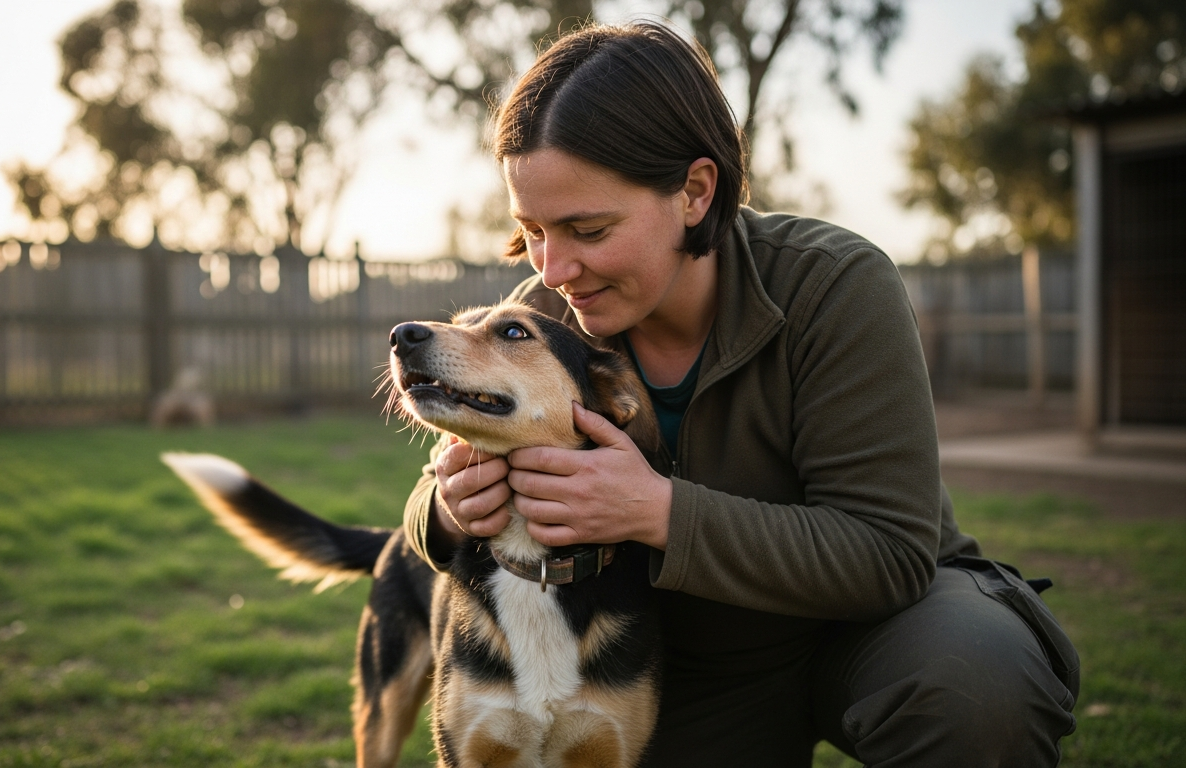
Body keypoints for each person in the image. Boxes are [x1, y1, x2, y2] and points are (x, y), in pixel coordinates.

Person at [402, 21, 1079, 767]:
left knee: (979, 687)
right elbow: (428, 499)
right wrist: (449, 507)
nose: (553, 269)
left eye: (587, 229)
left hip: (872, 632)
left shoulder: (836, 287)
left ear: (695, 191)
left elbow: (890, 552)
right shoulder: (540, 323)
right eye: (531, 231)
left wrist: (656, 511)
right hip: (685, 667)